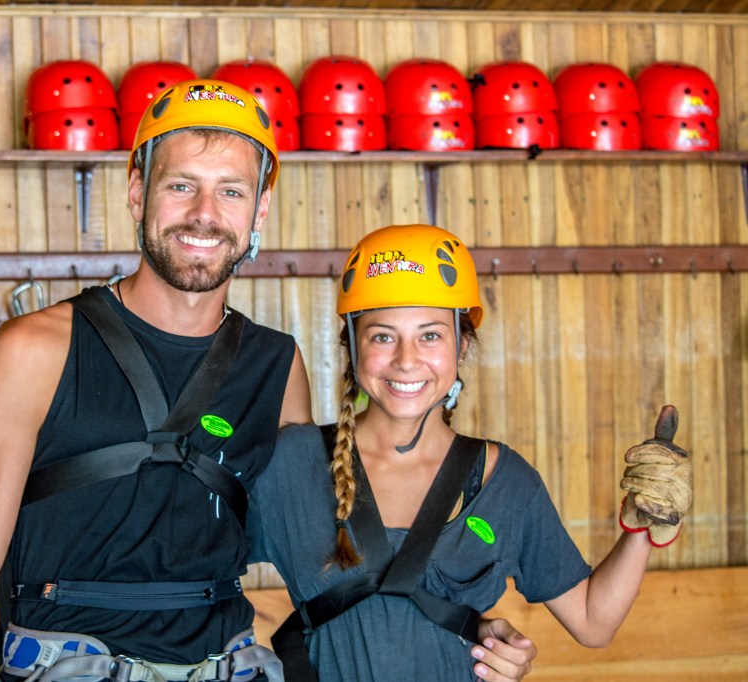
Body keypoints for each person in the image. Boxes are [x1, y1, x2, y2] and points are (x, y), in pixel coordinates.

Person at [0, 80, 536, 682]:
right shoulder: (33, 352)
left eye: (231, 191)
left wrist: (468, 628)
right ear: (138, 192)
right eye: (181, 185)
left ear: (259, 209)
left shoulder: (274, 364)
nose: (205, 215)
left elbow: (326, 566)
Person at [247, 223, 693, 682]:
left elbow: (593, 621)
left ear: (462, 345)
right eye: (382, 336)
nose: (406, 359)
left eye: (430, 335)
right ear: (351, 346)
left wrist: (640, 528)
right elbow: (193, 566)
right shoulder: (292, 464)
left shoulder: (504, 482)